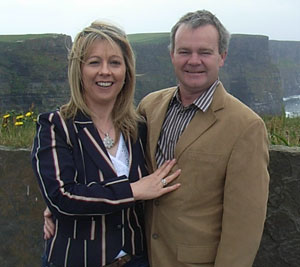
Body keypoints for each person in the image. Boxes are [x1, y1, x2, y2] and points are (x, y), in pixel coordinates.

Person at [31, 21, 181, 267]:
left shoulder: (139, 128)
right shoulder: (56, 126)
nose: (105, 71)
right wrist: (132, 190)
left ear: (126, 72)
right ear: (78, 70)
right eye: (94, 62)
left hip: (136, 260)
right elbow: (61, 196)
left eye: (114, 62)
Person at [137, 10, 270, 267]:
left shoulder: (246, 126)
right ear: (172, 55)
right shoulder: (148, 106)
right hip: (143, 256)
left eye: (205, 52)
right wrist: (60, 205)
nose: (193, 60)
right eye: (184, 51)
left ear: (222, 57)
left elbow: (244, 224)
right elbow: (118, 161)